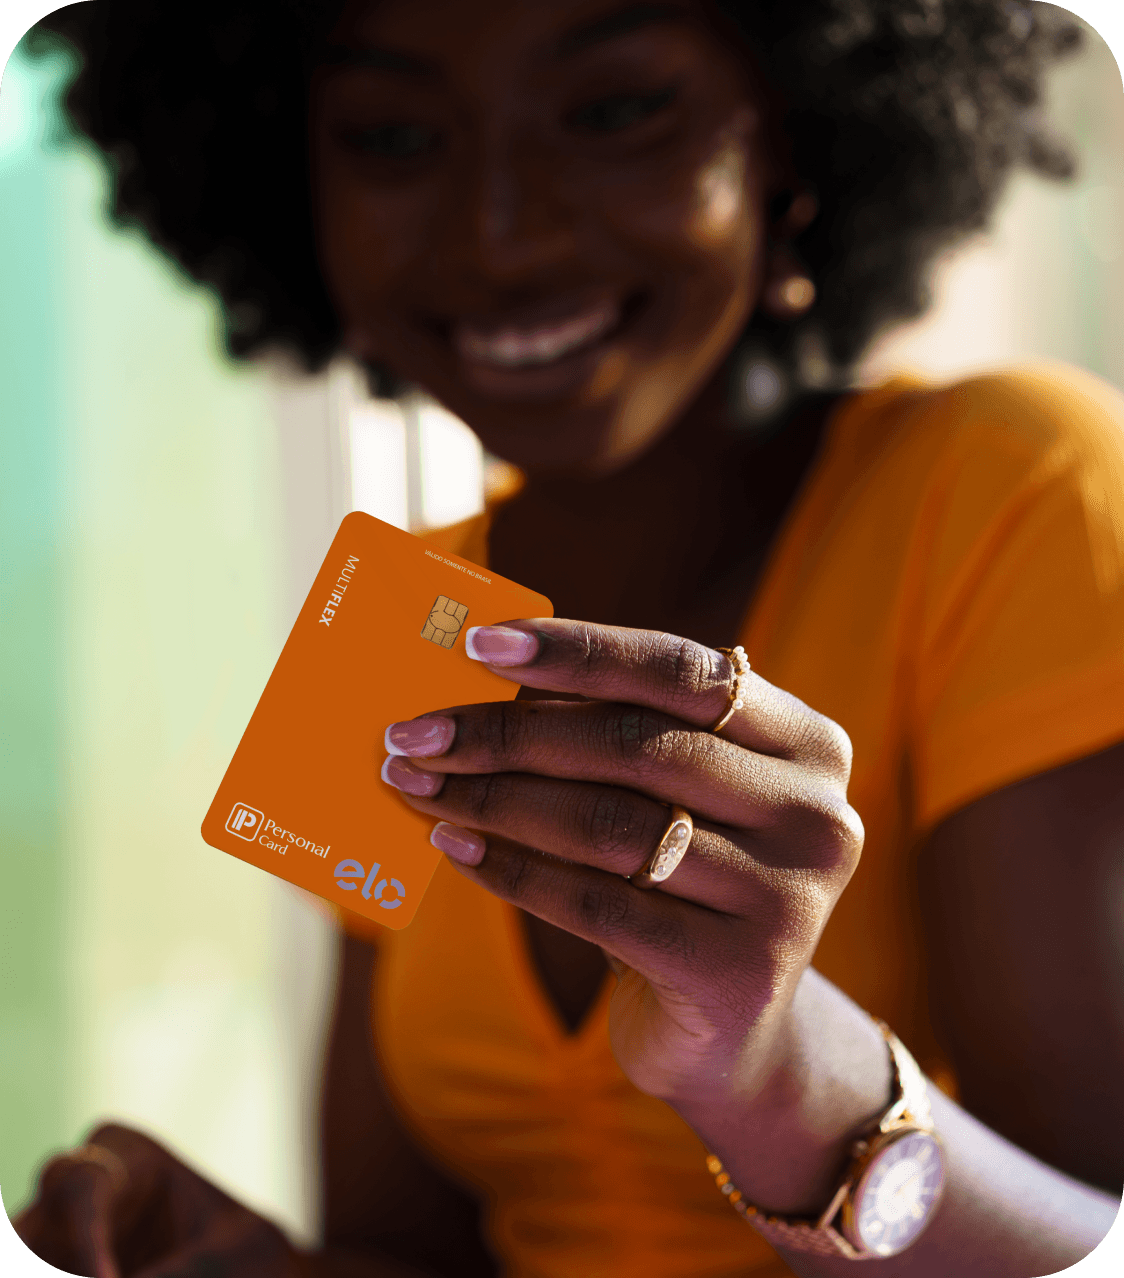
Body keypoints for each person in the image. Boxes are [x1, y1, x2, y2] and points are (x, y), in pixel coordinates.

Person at [12, 1, 1124, 1275]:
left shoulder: (1017, 488)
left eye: (611, 112)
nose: (502, 231)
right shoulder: (395, 611)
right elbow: (408, 1248)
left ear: (794, 144)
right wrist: (235, 1256)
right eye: (391, 135)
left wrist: (773, 1070)